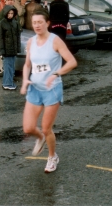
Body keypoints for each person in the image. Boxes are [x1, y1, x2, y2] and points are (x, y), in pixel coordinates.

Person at [20, 9, 77, 173]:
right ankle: (40, 138)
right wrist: (25, 80)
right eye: (34, 22)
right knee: (28, 128)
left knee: (46, 128)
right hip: (34, 88)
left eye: (40, 22)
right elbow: (27, 65)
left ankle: (52, 157)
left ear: (47, 23)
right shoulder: (30, 41)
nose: (36, 25)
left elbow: (72, 62)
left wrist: (56, 73)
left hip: (52, 89)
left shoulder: (55, 41)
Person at [0, 5, 21, 90]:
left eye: (12, 13)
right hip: (7, 50)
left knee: (11, 66)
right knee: (8, 67)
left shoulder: (15, 22)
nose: (10, 15)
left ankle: (7, 82)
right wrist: (2, 50)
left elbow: (18, 36)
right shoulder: (2, 23)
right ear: (6, 13)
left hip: (13, 49)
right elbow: (0, 38)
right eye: (9, 13)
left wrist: (17, 48)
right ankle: (8, 83)